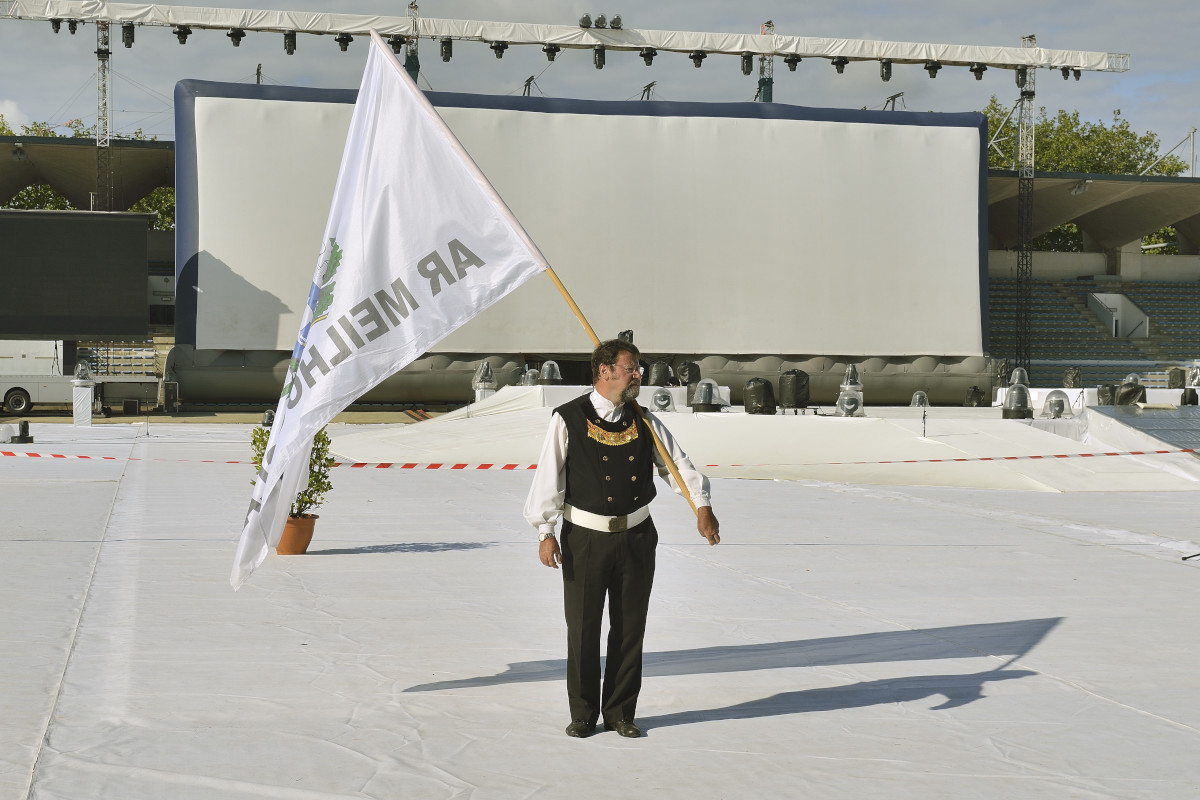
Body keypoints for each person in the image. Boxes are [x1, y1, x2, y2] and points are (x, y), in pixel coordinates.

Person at [524, 339, 720, 739]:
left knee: (630, 627)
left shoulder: (644, 419)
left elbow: (677, 465)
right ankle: (583, 713)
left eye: (638, 370)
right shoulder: (568, 418)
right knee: (582, 628)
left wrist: (701, 505)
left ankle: (620, 713)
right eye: (631, 368)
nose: (638, 376)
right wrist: (545, 531)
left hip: (636, 537)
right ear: (605, 371)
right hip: (585, 538)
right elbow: (548, 478)